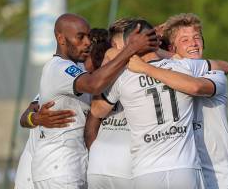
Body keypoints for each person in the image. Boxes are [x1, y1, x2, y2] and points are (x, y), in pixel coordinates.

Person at [90, 19, 228, 189]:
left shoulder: (122, 77)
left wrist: (112, 58)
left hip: (147, 171)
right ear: (155, 42)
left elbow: (97, 111)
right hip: (184, 168)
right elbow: (224, 66)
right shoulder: (184, 66)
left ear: (127, 45)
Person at [27, 13, 158, 189]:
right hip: (60, 167)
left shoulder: (75, 68)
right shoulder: (59, 68)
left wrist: (32, 118)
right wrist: (131, 48)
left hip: (70, 166)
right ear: (61, 38)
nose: (87, 42)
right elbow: (95, 84)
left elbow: (26, 114)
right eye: (80, 37)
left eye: (88, 36)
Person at [14, 27, 111, 189]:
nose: (104, 64)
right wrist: (36, 118)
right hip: (42, 171)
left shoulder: (82, 80)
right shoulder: (68, 75)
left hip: (61, 168)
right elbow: (24, 117)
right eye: (101, 57)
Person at [162, 13, 228, 188]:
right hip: (186, 175)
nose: (193, 43)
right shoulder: (166, 76)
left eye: (196, 38)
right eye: (185, 40)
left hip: (221, 177)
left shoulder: (215, 74)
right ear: (171, 48)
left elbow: (196, 86)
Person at [85, 18, 135, 189]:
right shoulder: (102, 77)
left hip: (105, 165)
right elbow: (93, 123)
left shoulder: (150, 69)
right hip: (118, 168)